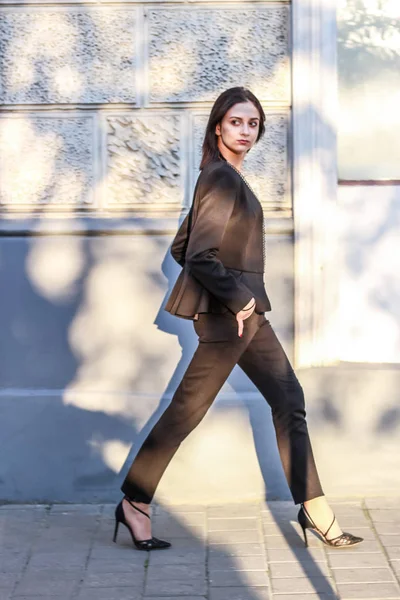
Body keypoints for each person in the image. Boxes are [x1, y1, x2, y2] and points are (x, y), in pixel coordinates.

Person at [113, 87, 364, 551]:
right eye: (236, 122)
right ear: (218, 127)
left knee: (289, 398)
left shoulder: (226, 177)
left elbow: (180, 248)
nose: (245, 131)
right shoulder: (221, 179)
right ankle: (135, 501)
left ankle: (314, 508)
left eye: (252, 124)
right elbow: (201, 256)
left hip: (248, 313)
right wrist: (237, 296)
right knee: (187, 411)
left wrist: (245, 299)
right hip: (233, 315)